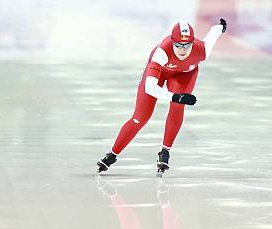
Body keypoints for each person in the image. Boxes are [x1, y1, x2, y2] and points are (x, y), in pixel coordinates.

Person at [97, 19, 227, 176]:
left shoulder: (202, 51)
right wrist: (175, 96)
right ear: (172, 42)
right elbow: (150, 88)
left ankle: (165, 152)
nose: (183, 50)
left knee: (178, 107)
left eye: (187, 45)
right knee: (140, 117)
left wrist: (220, 27)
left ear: (193, 43)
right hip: (159, 72)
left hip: (184, 75)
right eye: (178, 45)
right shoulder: (161, 52)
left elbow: (213, 34)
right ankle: (112, 154)